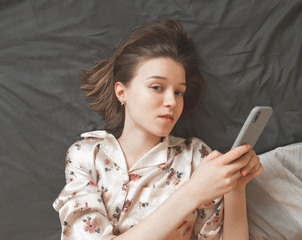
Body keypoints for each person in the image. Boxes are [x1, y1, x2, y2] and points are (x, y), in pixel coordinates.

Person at [52, 18, 263, 240]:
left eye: (179, 92)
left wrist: (235, 190)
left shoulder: (196, 157)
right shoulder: (86, 155)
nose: (172, 101)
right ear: (122, 92)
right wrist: (193, 193)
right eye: (157, 87)